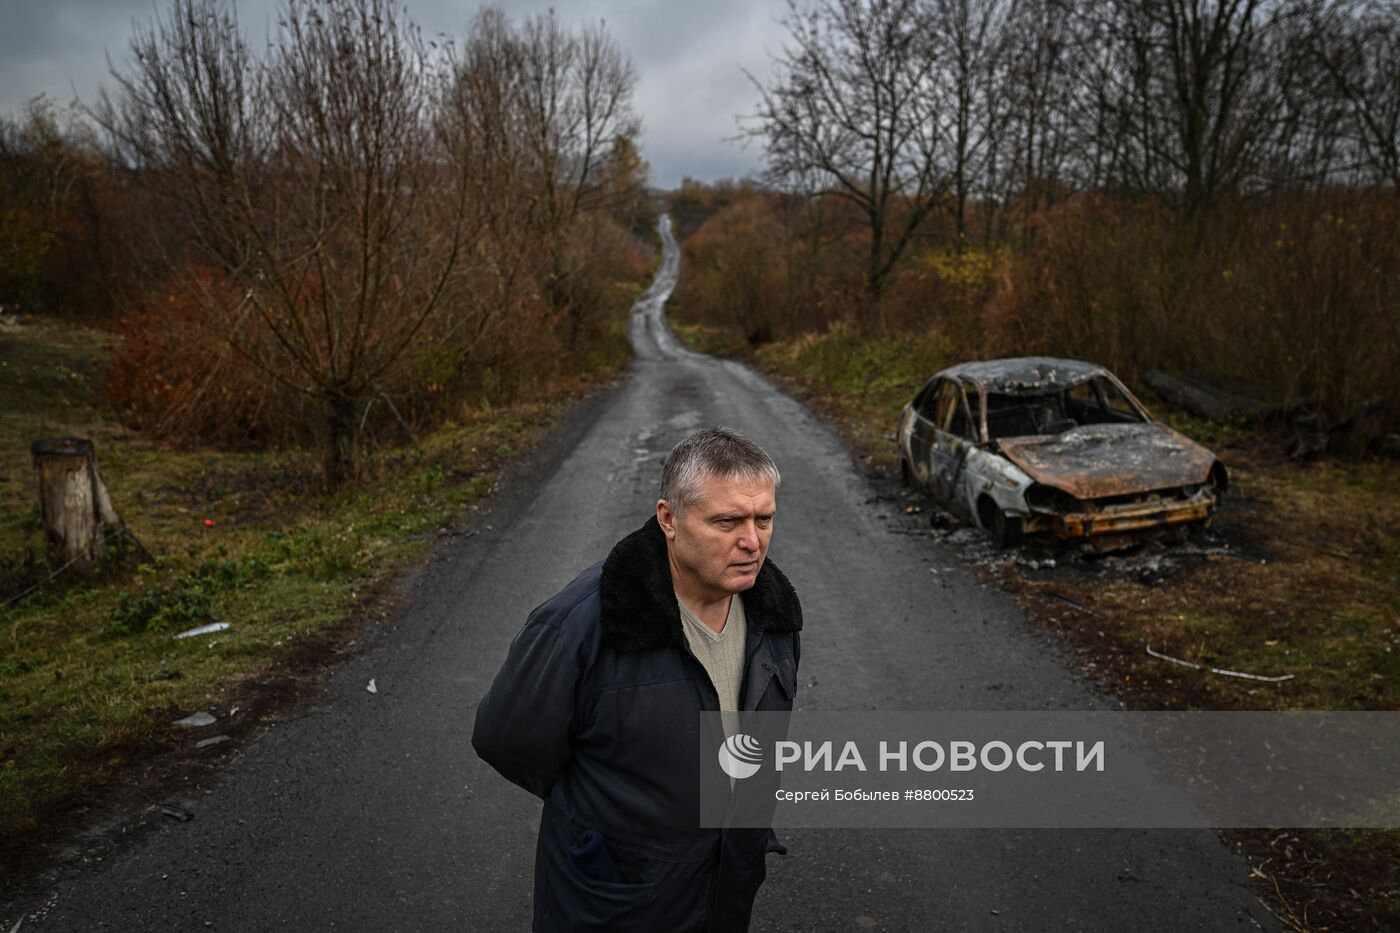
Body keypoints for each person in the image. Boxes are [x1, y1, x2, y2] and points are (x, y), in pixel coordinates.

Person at [472, 427, 803, 932]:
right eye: (728, 521)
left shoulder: (775, 615)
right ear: (669, 519)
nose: (752, 541)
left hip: (726, 892)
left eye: (765, 519)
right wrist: (610, 824)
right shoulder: (582, 624)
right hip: (613, 902)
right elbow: (507, 742)